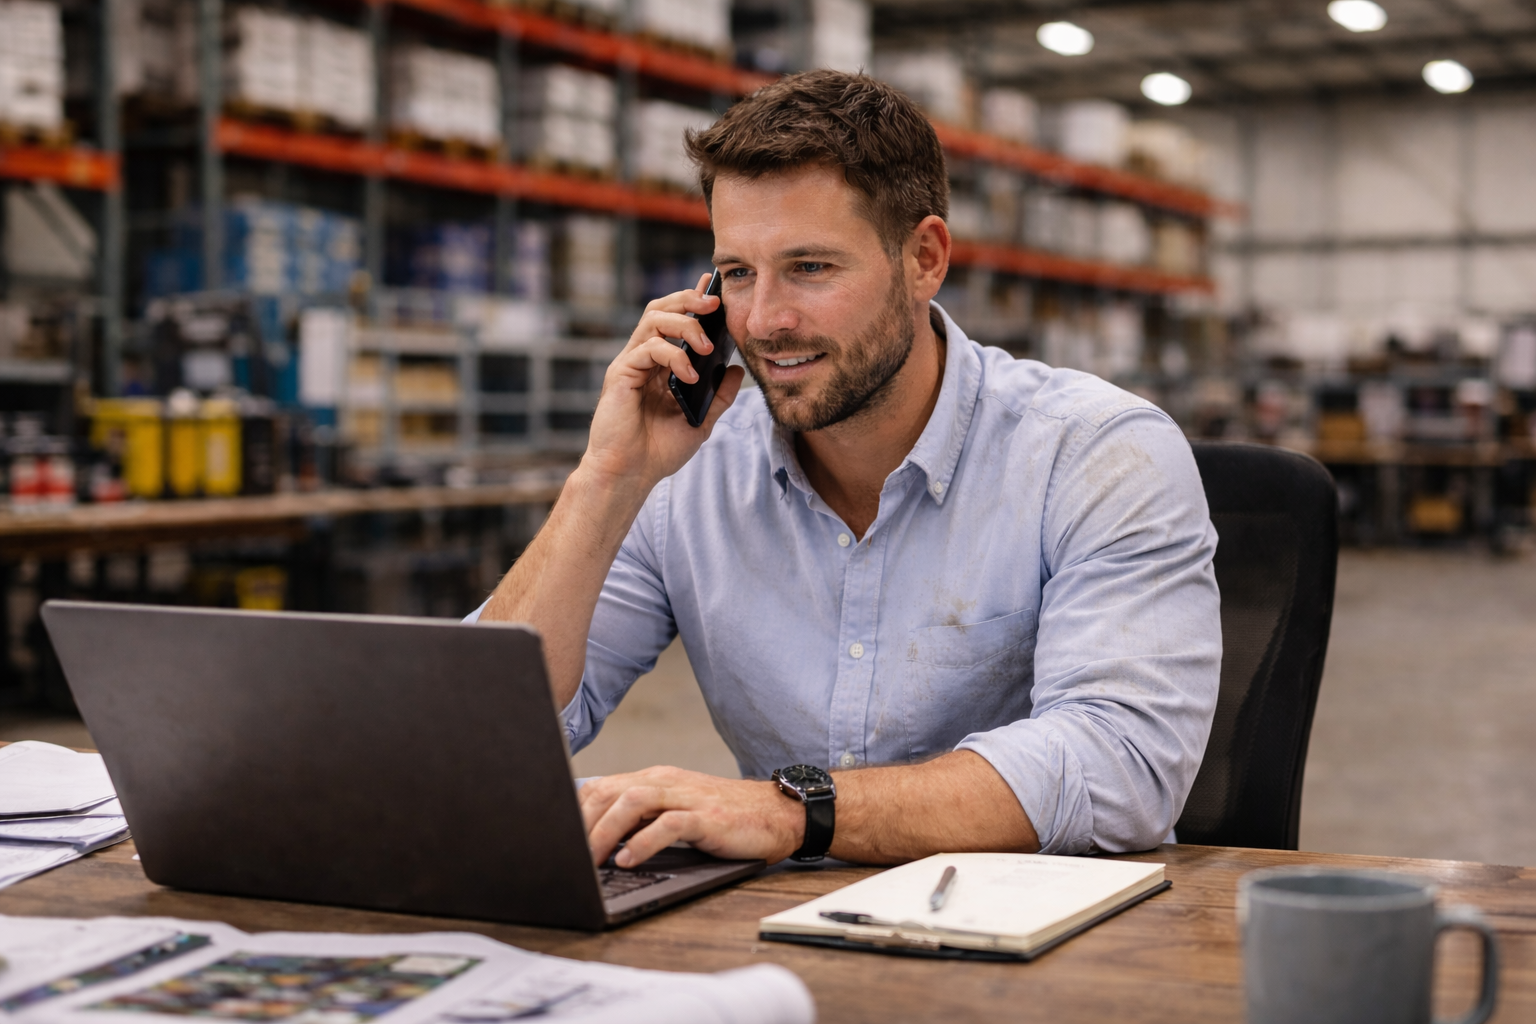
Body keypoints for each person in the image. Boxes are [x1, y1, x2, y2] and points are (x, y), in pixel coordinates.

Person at [471, 70, 1221, 870]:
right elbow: (477, 739)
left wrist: (794, 811)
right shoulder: (687, 472)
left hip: (1049, 950)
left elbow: (1122, 763)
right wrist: (606, 480)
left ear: (924, 258)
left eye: (811, 268)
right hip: (784, 939)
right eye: (737, 273)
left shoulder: (1096, 453)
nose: (764, 321)